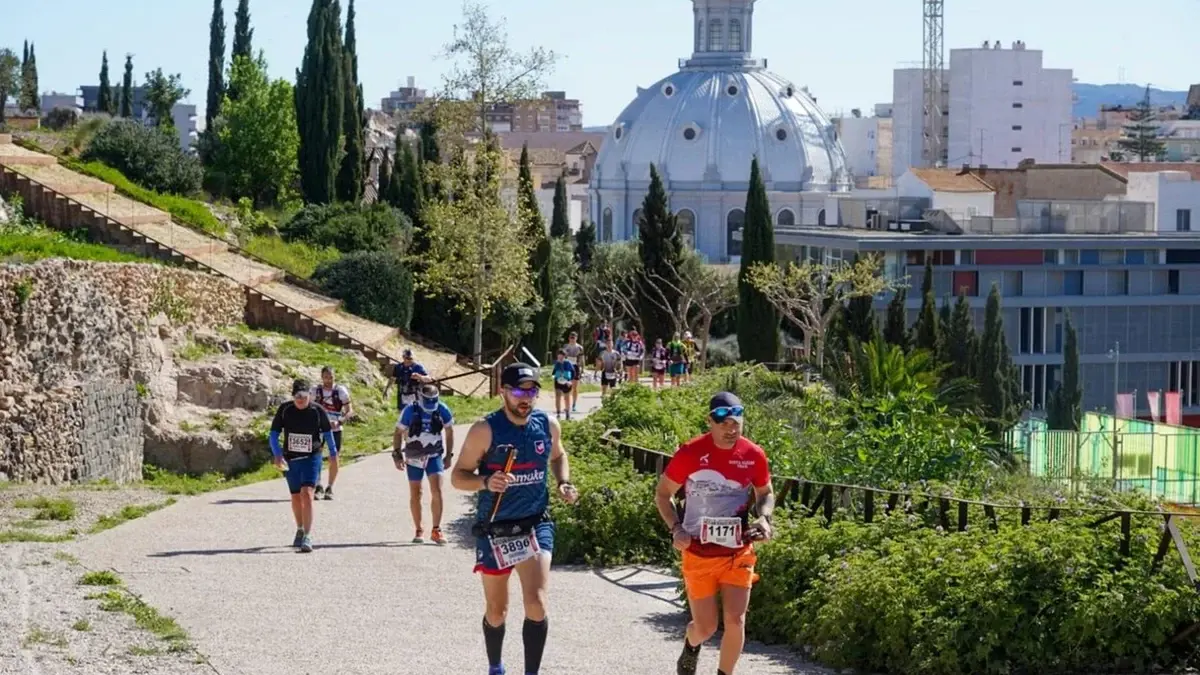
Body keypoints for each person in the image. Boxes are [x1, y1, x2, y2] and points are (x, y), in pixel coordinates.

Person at [450, 363, 579, 675]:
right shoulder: (485, 429)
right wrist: (485, 482)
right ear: (503, 391)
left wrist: (562, 481)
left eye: (532, 390)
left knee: (536, 604)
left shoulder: (546, 424)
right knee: (497, 611)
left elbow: (558, 455)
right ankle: (496, 666)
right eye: (519, 390)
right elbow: (457, 476)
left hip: (535, 523)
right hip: (495, 530)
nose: (526, 397)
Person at [654, 392, 775, 675]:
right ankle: (691, 644)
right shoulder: (690, 453)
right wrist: (676, 528)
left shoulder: (753, 454)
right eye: (724, 424)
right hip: (698, 550)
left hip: (738, 550)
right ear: (710, 422)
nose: (731, 429)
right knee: (706, 627)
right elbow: (662, 496)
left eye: (736, 423)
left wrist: (765, 518)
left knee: (736, 619)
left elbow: (765, 492)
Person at [269, 379, 338, 553]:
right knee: (295, 497)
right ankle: (299, 528)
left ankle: (307, 536)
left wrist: (333, 452)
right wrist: (277, 455)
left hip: (311, 457)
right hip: (290, 459)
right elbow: (273, 434)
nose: (300, 400)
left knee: (307, 494)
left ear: (309, 395)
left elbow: (328, 432)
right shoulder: (285, 409)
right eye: (297, 396)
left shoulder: (317, 410)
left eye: (304, 396)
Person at [394, 383, 455, 545]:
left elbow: (449, 431)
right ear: (420, 397)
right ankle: (419, 529)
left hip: (434, 455)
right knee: (416, 492)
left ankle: (436, 529)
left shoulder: (442, 409)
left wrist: (449, 455)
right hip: (414, 456)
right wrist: (397, 454)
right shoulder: (409, 410)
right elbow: (398, 432)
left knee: (437, 490)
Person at [312, 366, 353, 500]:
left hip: (335, 428)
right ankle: (318, 485)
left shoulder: (340, 391)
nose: (328, 380)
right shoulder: (315, 391)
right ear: (321, 377)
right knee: (316, 456)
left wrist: (340, 421)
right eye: (326, 377)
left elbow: (349, 410)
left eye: (331, 377)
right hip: (318, 428)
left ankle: (330, 487)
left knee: (334, 457)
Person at [561, 332, 586, 414]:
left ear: (576, 338)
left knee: (575, 387)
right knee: (567, 387)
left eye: (574, 337)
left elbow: (582, 358)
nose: (572, 339)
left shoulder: (580, 347)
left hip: (576, 367)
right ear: (569, 338)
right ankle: (566, 405)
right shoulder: (565, 346)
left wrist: (583, 368)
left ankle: (574, 405)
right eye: (571, 337)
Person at [551, 349, 578, 420]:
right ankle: (558, 413)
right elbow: (553, 373)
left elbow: (573, 372)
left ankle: (567, 413)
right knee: (558, 397)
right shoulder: (557, 363)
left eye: (561, 357)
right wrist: (553, 376)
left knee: (567, 398)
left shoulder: (568, 363)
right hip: (558, 381)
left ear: (564, 356)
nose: (560, 358)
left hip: (567, 382)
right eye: (559, 357)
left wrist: (571, 381)